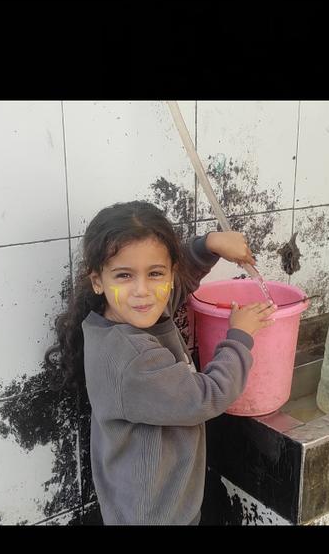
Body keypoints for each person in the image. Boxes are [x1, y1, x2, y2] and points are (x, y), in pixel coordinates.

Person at [44, 199, 276, 525]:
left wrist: (209, 244)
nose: (144, 291)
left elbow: (175, 288)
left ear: (169, 272)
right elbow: (206, 396)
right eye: (124, 275)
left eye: (155, 274)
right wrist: (239, 336)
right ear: (98, 280)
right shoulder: (133, 359)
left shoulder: (123, 316)